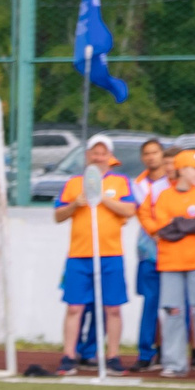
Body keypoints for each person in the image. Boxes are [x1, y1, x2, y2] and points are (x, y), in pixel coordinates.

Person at [54, 136, 133, 373]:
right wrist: (75, 204)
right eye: (94, 153)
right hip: (79, 254)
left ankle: (113, 357)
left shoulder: (120, 182)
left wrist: (103, 198)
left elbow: (130, 209)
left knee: (113, 308)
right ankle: (69, 355)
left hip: (110, 253)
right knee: (74, 307)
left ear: (110, 156)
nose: (98, 157)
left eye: (103, 153)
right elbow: (58, 215)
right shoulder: (73, 183)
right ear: (87, 155)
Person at [147, 149, 195, 376]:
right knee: (173, 313)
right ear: (182, 170)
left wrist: (177, 222)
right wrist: (187, 223)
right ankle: (174, 364)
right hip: (170, 263)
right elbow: (163, 230)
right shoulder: (164, 197)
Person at [129, 137, 170, 371]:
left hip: (173, 251)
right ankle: (146, 352)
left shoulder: (172, 182)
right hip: (148, 252)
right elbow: (142, 215)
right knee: (150, 303)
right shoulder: (139, 184)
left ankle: (174, 351)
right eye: (147, 153)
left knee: (176, 305)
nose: (151, 157)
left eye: (155, 152)